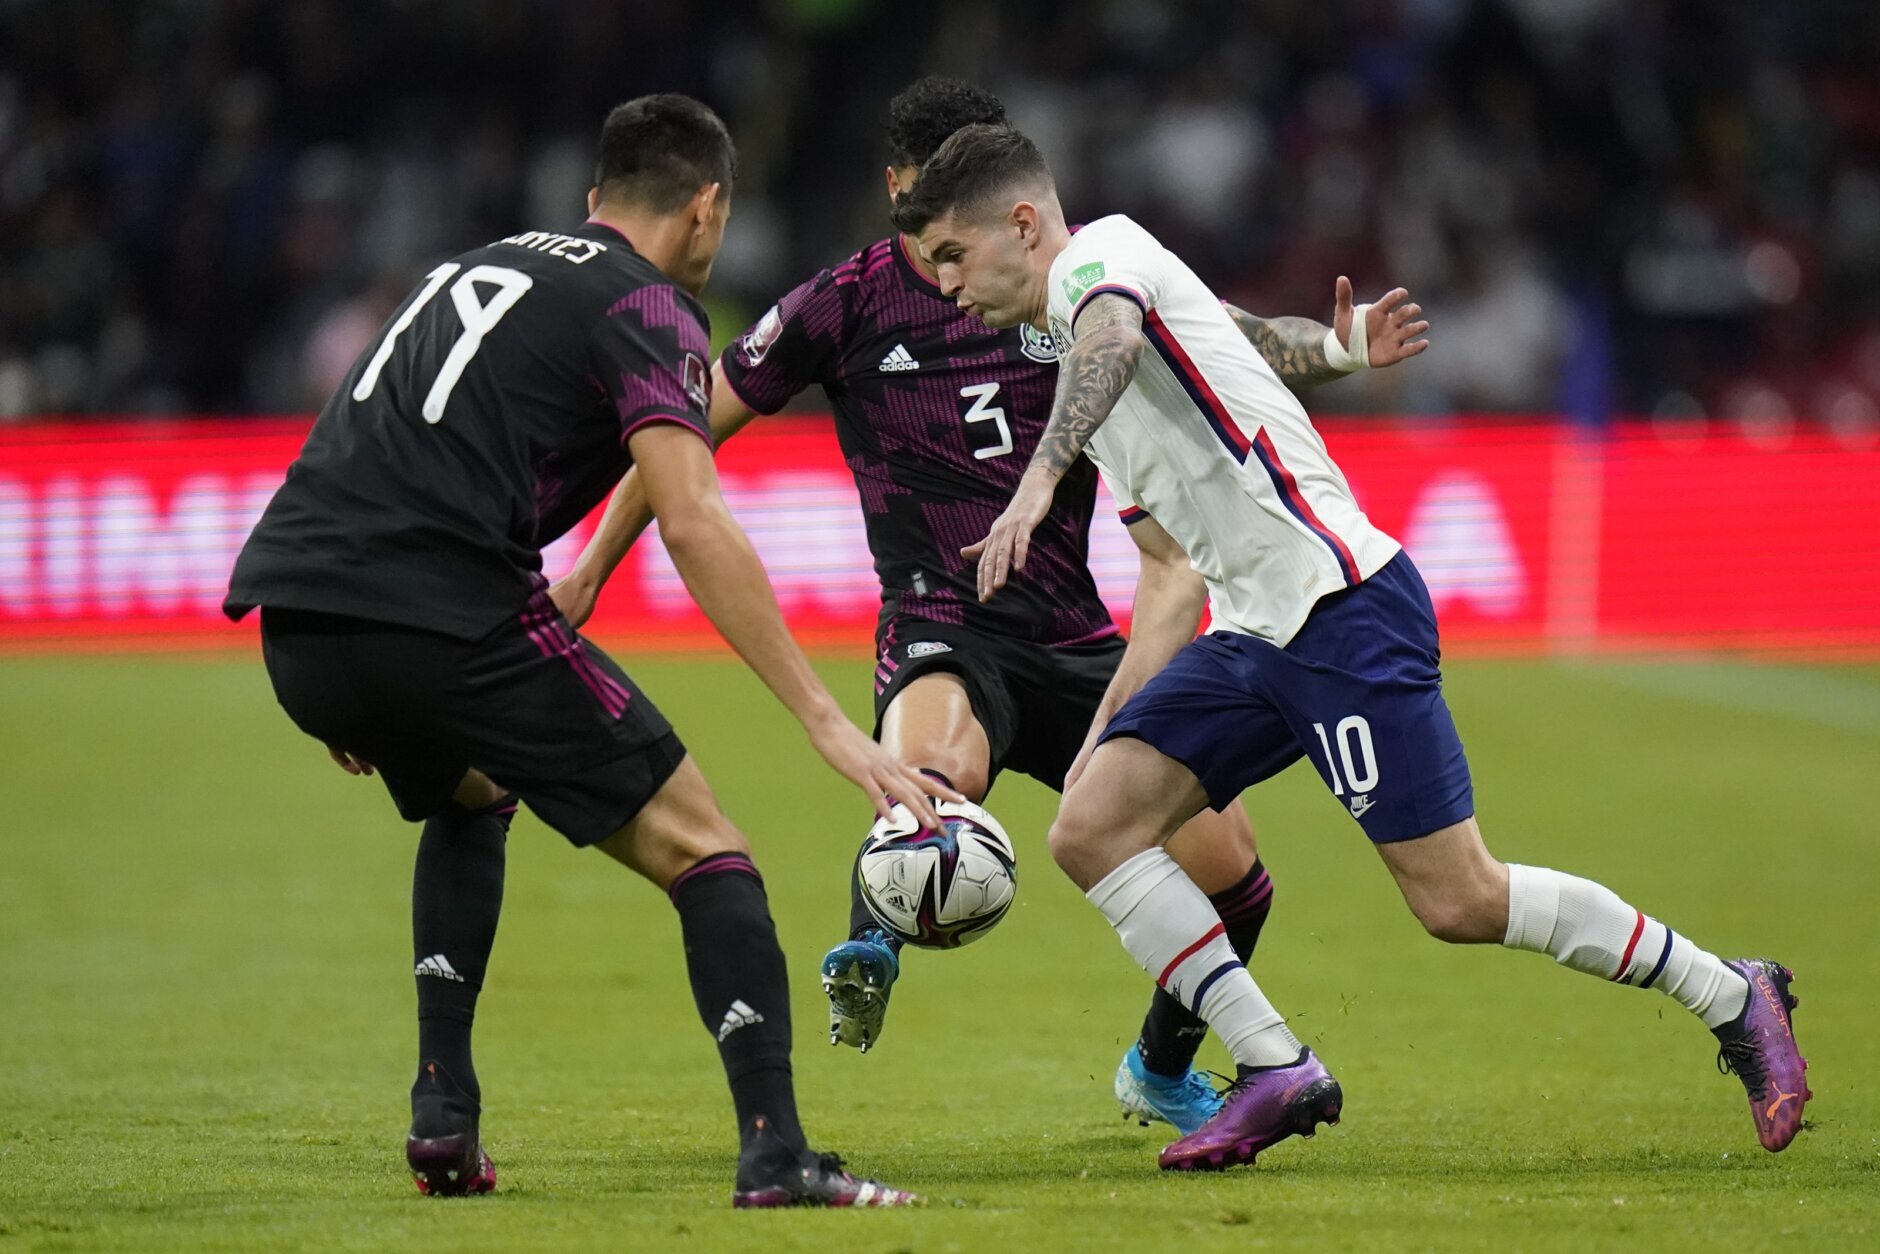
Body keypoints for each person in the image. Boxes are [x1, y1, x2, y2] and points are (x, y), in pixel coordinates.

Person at [890, 122, 1810, 1170]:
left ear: (1021, 223)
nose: (948, 288)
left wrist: (1040, 478)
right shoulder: (1069, 329)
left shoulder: (1101, 262)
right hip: (1250, 629)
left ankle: (1731, 994)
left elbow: (1108, 334)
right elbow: (1234, 343)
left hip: (1340, 610)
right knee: (1089, 826)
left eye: (954, 257)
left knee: (1457, 899)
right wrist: (1332, 350)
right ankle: (1275, 1065)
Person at [550, 78, 1430, 1137]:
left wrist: (1337, 350)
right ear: (900, 189)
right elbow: (684, 432)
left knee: (1235, 881)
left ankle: (1159, 1066)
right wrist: (594, 566)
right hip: (941, 622)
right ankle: (871, 934)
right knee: (936, 781)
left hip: (1076, 636)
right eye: (932, 214)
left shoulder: (1065, 290)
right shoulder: (844, 301)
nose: (950, 251)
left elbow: (1232, 340)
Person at [224, 95, 948, 1207]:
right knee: (710, 853)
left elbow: (367, 437)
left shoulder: (469, 266)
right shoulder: (648, 304)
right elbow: (693, 515)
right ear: (706, 208)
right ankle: (775, 1156)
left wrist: (351, 670)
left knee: (473, 792)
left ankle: (442, 1117)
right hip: (436, 609)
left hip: (299, 612)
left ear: (594, 197)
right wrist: (824, 720)